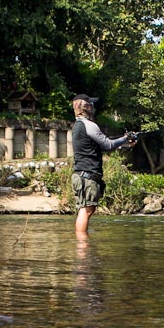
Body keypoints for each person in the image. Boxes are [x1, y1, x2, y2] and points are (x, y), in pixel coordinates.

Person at [70, 94, 137, 236]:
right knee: (86, 209)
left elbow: (100, 145)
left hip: (82, 175)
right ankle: (82, 246)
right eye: (91, 104)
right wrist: (126, 137)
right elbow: (108, 144)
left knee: (88, 209)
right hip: (87, 176)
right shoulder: (89, 125)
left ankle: (82, 243)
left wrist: (125, 143)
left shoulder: (78, 126)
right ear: (86, 107)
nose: (94, 107)